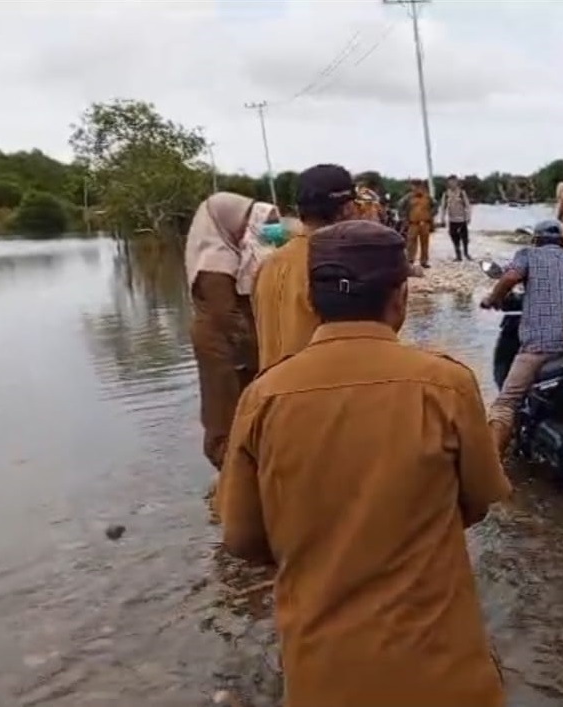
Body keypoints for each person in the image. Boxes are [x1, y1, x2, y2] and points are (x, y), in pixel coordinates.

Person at [219, 219, 512, 707]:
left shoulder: (262, 398)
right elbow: (478, 502)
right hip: (443, 674)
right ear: (399, 298)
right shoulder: (446, 385)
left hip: (323, 678)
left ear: (312, 303)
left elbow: (243, 539)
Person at [480, 219, 563, 453]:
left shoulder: (528, 254)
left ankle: (491, 468)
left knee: (506, 403)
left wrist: (492, 299)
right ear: (562, 240)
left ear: (536, 240)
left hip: (539, 348)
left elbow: (509, 278)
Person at [185, 191, 267, 471]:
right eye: (244, 221)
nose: (247, 227)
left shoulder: (230, 253)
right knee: (224, 411)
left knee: (242, 411)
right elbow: (227, 316)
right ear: (224, 221)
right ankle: (230, 479)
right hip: (222, 346)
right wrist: (261, 348)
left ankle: (241, 476)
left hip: (232, 343)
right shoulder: (214, 262)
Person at [253, 164, 359, 371]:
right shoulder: (338, 262)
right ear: (347, 208)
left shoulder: (267, 265)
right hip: (316, 391)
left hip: (270, 391)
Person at [399, 179, 436, 268]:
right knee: (411, 243)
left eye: (418, 186)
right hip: (413, 223)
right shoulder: (407, 198)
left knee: (425, 243)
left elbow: (435, 206)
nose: (416, 188)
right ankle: (410, 260)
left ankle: (424, 261)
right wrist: (404, 219)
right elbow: (401, 208)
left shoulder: (427, 197)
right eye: (414, 186)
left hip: (425, 223)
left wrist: (430, 215)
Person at [439, 175, 474, 261]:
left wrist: (469, 217)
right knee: (454, 237)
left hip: (462, 219)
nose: (452, 184)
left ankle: (466, 253)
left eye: (454, 182)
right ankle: (458, 255)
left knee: (465, 238)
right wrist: (442, 218)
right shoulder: (446, 194)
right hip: (452, 220)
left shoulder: (462, 193)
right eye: (450, 182)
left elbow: (467, 206)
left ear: (457, 182)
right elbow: (443, 207)